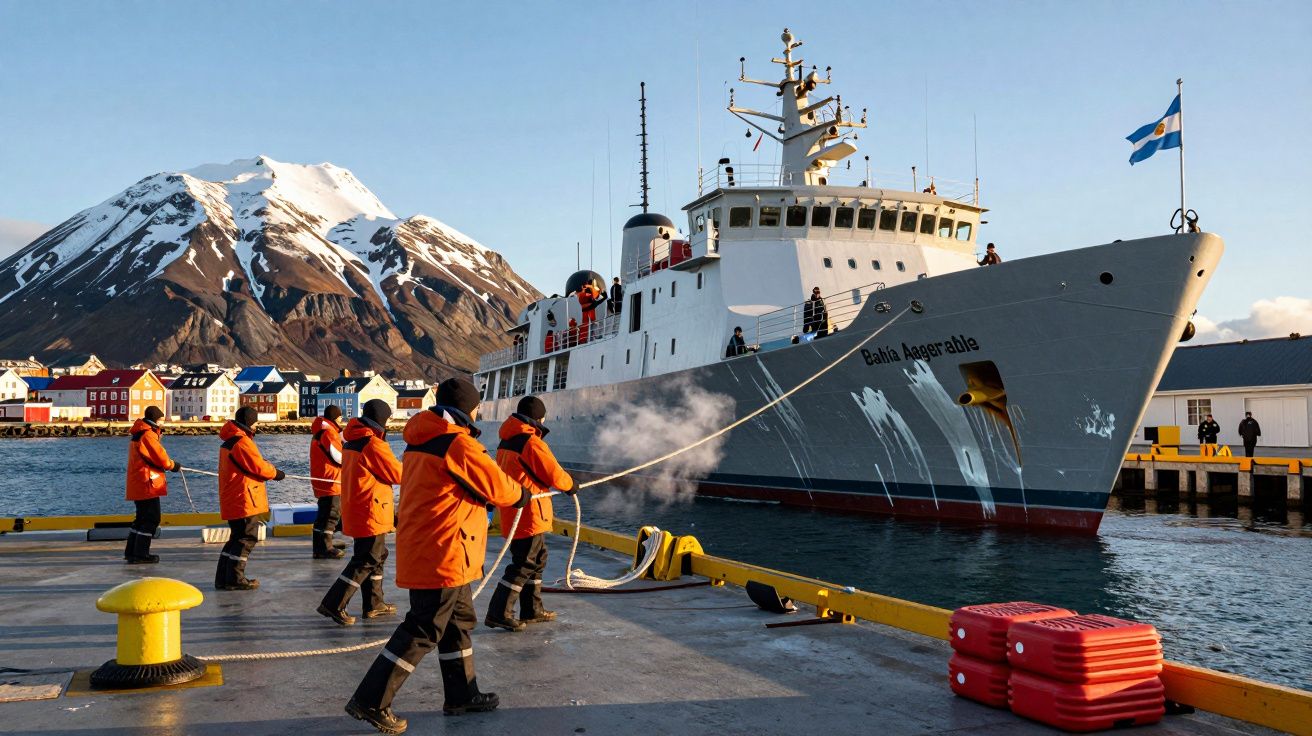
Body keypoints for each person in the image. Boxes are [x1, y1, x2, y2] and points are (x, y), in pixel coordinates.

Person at [346, 377, 529, 732]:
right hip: (444, 551)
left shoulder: (421, 440)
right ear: (468, 408)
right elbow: (498, 487)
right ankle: (371, 700)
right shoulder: (457, 444)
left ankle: (462, 694)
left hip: (437, 549)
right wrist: (520, 494)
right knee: (423, 628)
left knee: (458, 624)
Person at [484, 396, 575, 632]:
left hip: (514, 511)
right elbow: (553, 474)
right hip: (530, 513)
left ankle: (531, 609)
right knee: (524, 563)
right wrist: (570, 485)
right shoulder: (532, 442)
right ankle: (499, 612)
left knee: (536, 559)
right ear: (539, 418)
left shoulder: (507, 441)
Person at [319, 399, 403, 626]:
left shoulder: (352, 441)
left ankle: (374, 604)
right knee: (367, 558)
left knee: (377, 554)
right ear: (382, 420)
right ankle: (334, 603)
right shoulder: (373, 444)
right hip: (371, 510)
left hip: (359, 508)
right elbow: (397, 474)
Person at [215, 406, 284, 591]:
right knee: (247, 536)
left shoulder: (229, 441)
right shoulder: (242, 442)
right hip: (243, 498)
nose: (257, 426)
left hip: (234, 496)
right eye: (256, 422)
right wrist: (276, 473)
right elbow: (258, 466)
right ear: (249, 422)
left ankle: (224, 577)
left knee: (236, 537)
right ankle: (235, 578)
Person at [124, 406, 180, 564]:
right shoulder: (148, 435)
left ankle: (132, 552)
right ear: (156, 419)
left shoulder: (139, 433)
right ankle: (141, 554)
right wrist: (172, 465)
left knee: (141, 519)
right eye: (161, 419)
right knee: (151, 519)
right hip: (147, 483)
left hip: (139, 482)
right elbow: (160, 457)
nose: (163, 423)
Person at [310, 405, 346, 559]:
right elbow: (338, 457)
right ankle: (325, 547)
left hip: (323, 478)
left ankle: (321, 544)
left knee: (324, 515)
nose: (342, 419)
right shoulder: (329, 433)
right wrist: (352, 460)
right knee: (330, 515)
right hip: (331, 480)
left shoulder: (320, 432)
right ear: (335, 418)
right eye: (340, 417)